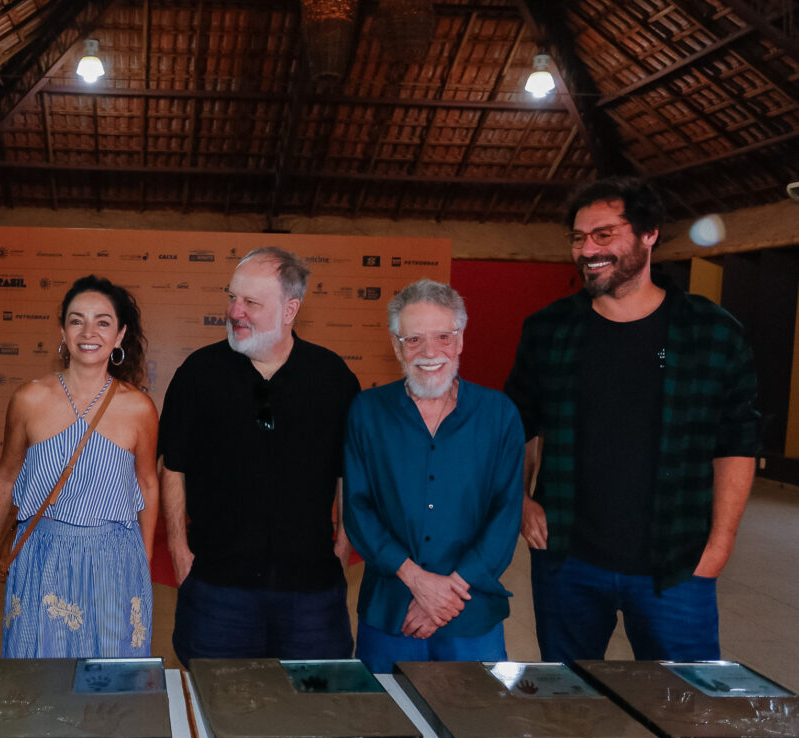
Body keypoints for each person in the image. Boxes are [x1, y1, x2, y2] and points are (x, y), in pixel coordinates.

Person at [505, 177, 760, 663]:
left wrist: (720, 545)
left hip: (677, 562)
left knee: (685, 710)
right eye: (578, 238)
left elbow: (737, 443)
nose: (587, 250)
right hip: (567, 563)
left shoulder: (712, 332)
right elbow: (518, 425)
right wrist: (518, 499)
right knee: (570, 710)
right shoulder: (549, 330)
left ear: (649, 235)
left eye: (604, 235)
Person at [160, 247, 359, 666]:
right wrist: (178, 548)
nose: (235, 311)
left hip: (312, 594)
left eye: (251, 302)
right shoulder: (198, 374)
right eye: (232, 297)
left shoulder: (333, 378)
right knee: (216, 712)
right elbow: (173, 466)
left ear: (290, 310)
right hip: (217, 588)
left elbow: (349, 474)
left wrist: (342, 547)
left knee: (313, 716)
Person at [343, 279, 523, 672]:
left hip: (472, 613)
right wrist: (417, 581)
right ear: (396, 346)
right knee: (388, 725)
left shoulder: (500, 415)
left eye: (443, 336)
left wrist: (447, 595)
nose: (429, 353)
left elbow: (506, 515)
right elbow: (357, 508)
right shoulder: (367, 411)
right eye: (414, 340)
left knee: (476, 726)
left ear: (460, 340)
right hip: (391, 611)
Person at [0, 275, 159, 657]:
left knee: (108, 687)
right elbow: (5, 478)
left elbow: (147, 483)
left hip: (113, 562)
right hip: (41, 555)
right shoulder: (28, 399)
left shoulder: (139, 408)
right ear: (63, 331)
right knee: (37, 677)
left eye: (103, 322)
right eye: (76, 320)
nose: (89, 332)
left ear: (119, 336)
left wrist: (142, 561)